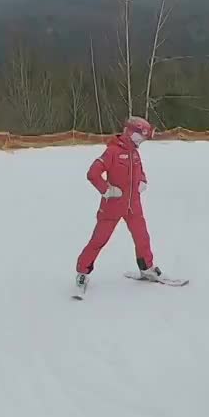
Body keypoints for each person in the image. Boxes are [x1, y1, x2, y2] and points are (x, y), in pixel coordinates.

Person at [74, 116, 162, 290]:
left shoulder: (135, 153)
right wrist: (106, 189)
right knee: (99, 240)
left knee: (142, 237)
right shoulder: (112, 152)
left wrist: (142, 181)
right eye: (139, 137)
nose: (140, 142)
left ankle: (147, 268)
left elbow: (140, 171)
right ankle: (82, 272)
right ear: (130, 133)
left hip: (133, 206)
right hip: (112, 207)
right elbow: (93, 173)